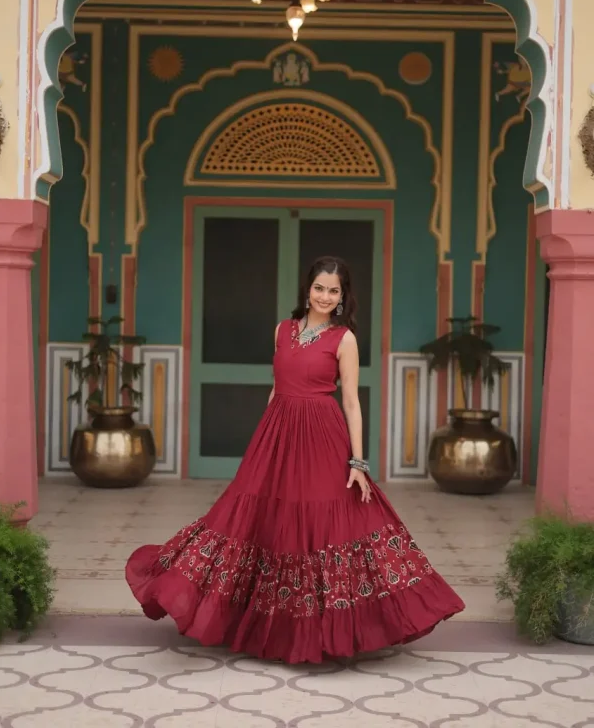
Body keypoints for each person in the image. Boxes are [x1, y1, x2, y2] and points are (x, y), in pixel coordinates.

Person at [125, 256, 465, 664]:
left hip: (322, 435)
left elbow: (353, 403)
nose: (325, 296)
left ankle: (317, 634)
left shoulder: (344, 339)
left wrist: (358, 464)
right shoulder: (282, 331)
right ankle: (254, 622)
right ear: (308, 289)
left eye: (334, 291)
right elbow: (276, 389)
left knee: (319, 526)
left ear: (343, 297)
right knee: (255, 519)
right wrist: (262, 442)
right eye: (319, 288)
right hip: (277, 433)